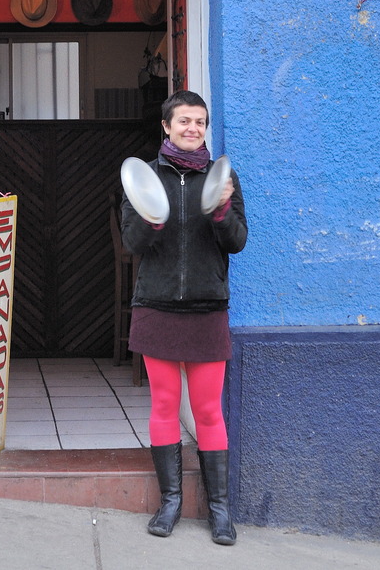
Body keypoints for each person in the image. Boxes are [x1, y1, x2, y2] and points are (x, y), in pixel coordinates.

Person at [120, 90, 248, 546]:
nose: (192, 128)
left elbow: (237, 242)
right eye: (184, 121)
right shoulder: (144, 179)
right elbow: (133, 242)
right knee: (163, 407)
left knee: (209, 410)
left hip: (206, 308)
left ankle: (219, 510)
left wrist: (221, 212)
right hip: (156, 307)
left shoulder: (224, 178)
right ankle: (170, 502)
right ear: (167, 127)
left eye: (200, 122)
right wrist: (153, 219)